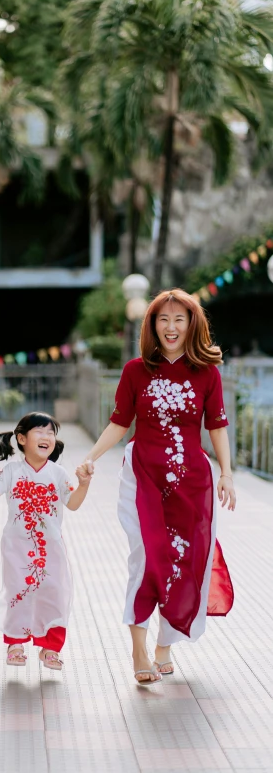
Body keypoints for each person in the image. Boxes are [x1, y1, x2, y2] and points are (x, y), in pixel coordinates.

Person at [83, 289, 235, 685]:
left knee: (185, 561)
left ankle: (164, 645)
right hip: (143, 479)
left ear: (191, 325)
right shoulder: (135, 371)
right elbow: (119, 422)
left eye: (179, 320)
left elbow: (216, 426)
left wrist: (227, 473)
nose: (171, 327)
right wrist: (91, 457)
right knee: (147, 558)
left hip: (192, 483)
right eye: (163, 320)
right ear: (152, 325)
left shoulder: (207, 373)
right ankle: (138, 646)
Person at [0, 412, 92, 670]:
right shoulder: (13, 471)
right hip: (16, 548)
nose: (46, 437)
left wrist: (84, 485)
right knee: (19, 592)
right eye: (40, 432)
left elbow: (72, 504)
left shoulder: (58, 474)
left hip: (51, 550)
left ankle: (50, 648)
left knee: (54, 593)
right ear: (22, 439)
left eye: (51, 433)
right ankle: (15, 643)